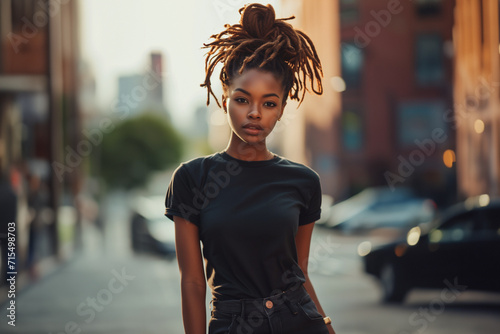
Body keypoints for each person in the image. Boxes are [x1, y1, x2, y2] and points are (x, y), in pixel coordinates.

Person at [165, 3, 336, 334]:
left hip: (299, 321)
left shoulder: (303, 181)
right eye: (243, 99)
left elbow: (299, 271)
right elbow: (192, 281)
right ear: (226, 95)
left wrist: (327, 327)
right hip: (233, 323)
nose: (255, 113)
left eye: (269, 103)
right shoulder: (192, 178)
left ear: (283, 106)